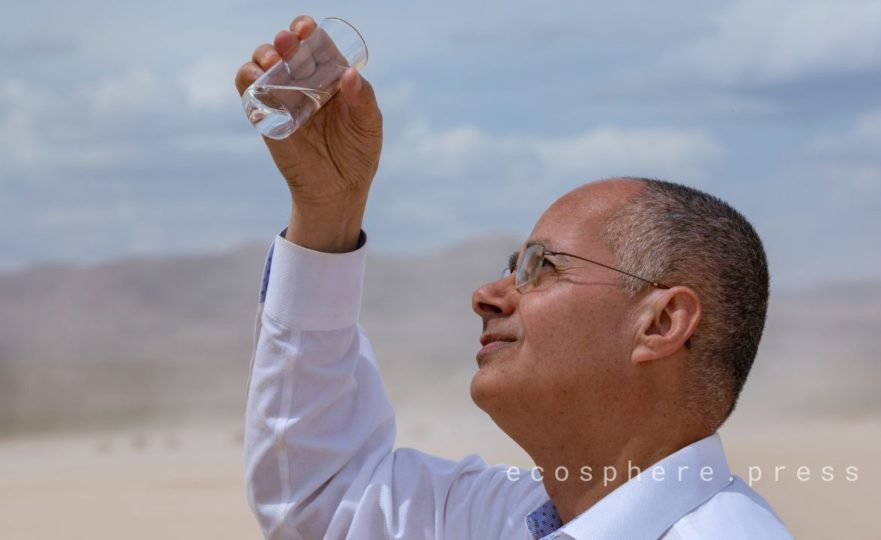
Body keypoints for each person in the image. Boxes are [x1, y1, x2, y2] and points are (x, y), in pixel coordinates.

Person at [235, 14, 793, 540]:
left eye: (540, 268)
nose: (486, 296)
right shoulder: (511, 516)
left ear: (661, 323)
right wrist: (329, 208)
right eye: (511, 268)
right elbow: (323, 496)